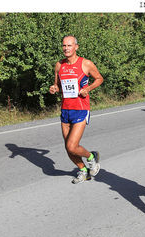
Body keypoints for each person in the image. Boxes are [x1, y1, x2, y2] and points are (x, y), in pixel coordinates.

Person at [49, 35, 104, 184]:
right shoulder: (59, 65)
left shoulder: (85, 64)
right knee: (69, 148)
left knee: (72, 145)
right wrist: (55, 88)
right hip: (65, 110)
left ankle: (91, 157)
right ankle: (83, 170)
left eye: (69, 45)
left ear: (76, 47)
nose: (66, 48)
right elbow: (58, 86)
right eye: (64, 46)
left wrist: (88, 89)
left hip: (80, 109)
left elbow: (99, 78)